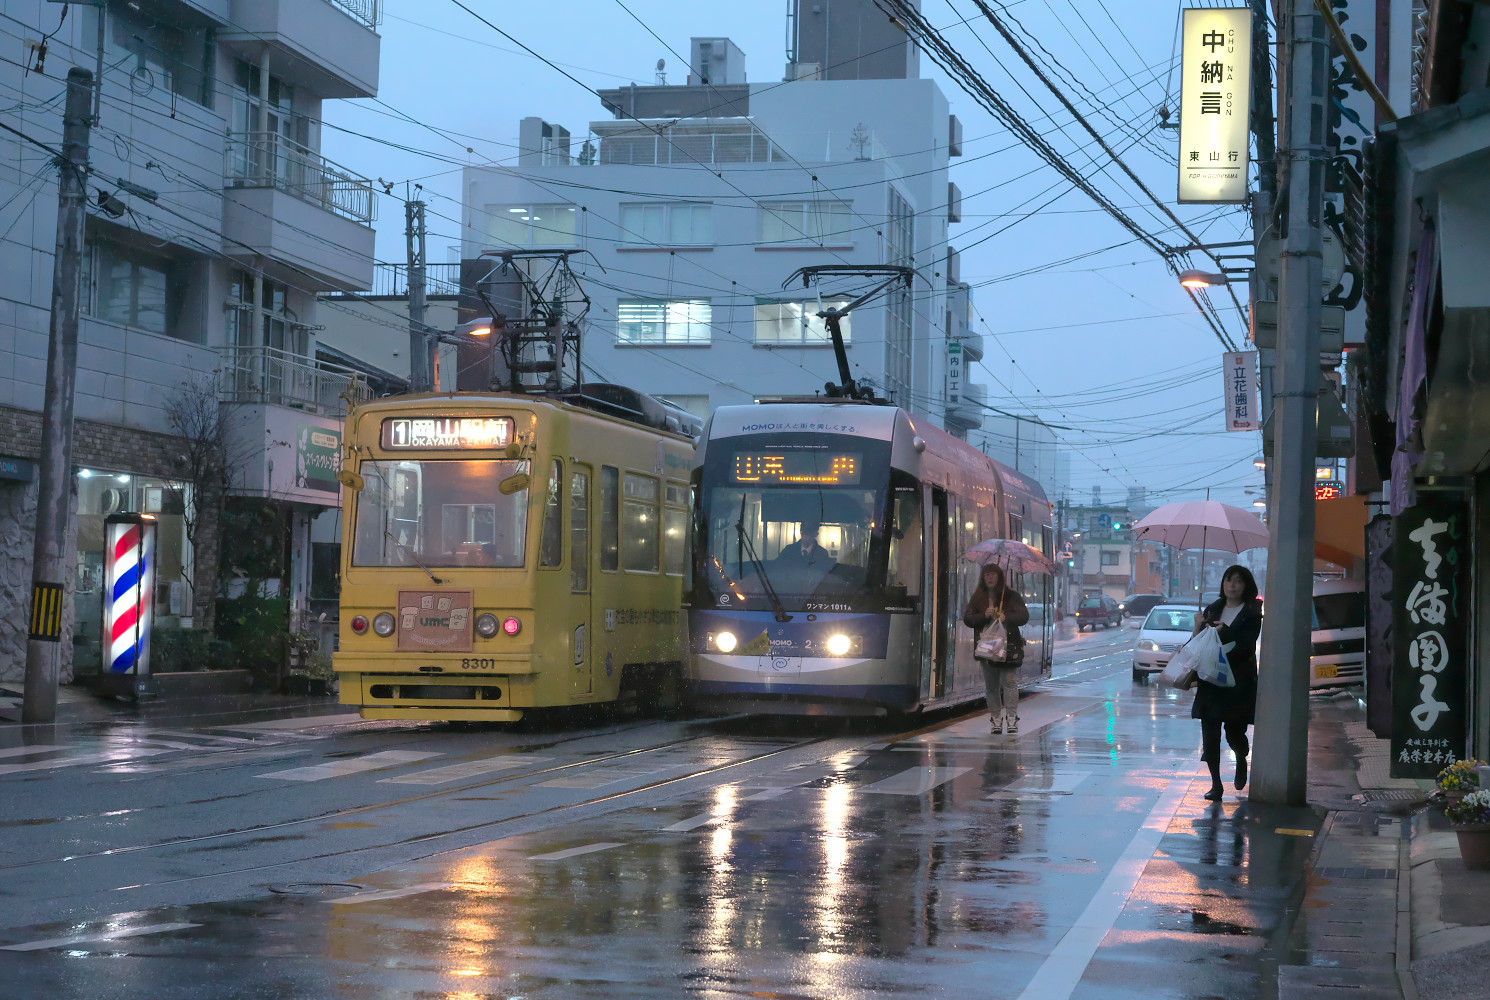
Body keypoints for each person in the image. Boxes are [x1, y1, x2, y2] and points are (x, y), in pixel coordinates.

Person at [1192, 564, 1263, 801]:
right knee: (1210, 735)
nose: (1232, 585)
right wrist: (1198, 624)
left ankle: (1241, 757)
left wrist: (1227, 632)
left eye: (1238, 581)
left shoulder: (1252, 612)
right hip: (1210, 680)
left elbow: (1246, 644)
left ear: (1246, 586)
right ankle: (1216, 785)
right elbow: (1198, 643)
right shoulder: (1213, 609)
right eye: (1228, 580)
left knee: (1234, 733)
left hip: (1237, 682)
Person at [963, 563, 1030, 734]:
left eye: (993, 574)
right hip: (987, 648)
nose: (990, 577)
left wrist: (1006, 616)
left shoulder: (1011, 596)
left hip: (1008, 647)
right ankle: (996, 720)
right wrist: (983, 615)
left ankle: (1012, 718)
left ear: (999, 577)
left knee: (1009, 683)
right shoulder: (978, 597)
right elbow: (968, 619)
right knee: (991, 686)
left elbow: (1023, 616)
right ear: (983, 578)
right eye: (986, 574)